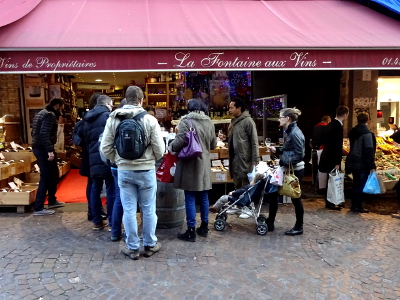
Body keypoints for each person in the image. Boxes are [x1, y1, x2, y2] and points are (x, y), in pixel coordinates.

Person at [100, 86, 164, 260]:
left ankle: (133, 247)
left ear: (126, 99)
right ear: (142, 100)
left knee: (128, 209)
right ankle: (150, 244)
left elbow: (104, 148)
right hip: (146, 170)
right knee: (149, 208)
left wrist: (118, 159)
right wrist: (150, 159)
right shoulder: (150, 120)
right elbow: (160, 149)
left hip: (125, 171)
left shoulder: (114, 118)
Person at [171, 98, 217, 242]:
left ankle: (191, 230)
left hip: (189, 163)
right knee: (204, 196)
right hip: (204, 165)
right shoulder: (209, 122)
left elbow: (179, 142)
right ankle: (204, 227)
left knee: (189, 197)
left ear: (190, 108)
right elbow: (214, 144)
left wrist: (170, 145)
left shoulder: (186, 122)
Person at [267, 108, 305, 236]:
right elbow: (289, 148)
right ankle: (270, 222)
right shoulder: (291, 131)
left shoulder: (294, 133)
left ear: (287, 118)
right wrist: (277, 150)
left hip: (295, 170)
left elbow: (300, 154)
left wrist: (283, 162)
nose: (279, 119)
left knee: (295, 197)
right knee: (274, 194)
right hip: (289, 168)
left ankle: (299, 226)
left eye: (281, 117)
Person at [83, 94, 115, 230]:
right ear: (107, 104)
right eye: (111, 105)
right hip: (106, 157)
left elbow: (84, 138)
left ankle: (97, 221)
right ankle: (113, 220)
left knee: (95, 189)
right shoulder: (108, 117)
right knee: (111, 189)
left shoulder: (87, 118)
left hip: (92, 158)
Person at [31, 98, 66, 216]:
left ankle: (52, 200)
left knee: (53, 174)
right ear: (57, 106)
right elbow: (44, 134)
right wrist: (50, 150)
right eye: (62, 107)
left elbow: (34, 132)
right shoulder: (49, 115)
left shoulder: (41, 113)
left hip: (40, 147)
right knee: (46, 176)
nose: (62, 110)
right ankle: (39, 207)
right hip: (43, 149)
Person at [318, 106, 349, 210]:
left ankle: (331, 201)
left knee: (330, 180)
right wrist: (337, 162)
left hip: (326, 155)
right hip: (332, 157)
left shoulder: (329, 125)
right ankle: (332, 202)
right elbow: (337, 146)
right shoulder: (338, 127)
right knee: (333, 180)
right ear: (345, 115)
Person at [345, 113, 376, 213]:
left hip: (353, 161)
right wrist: (372, 165)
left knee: (355, 183)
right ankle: (357, 206)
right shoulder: (367, 134)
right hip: (362, 163)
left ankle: (354, 204)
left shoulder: (353, 131)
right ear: (368, 121)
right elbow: (369, 150)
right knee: (360, 184)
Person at [228, 97, 259, 189]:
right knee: (237, 183)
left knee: (245, 185)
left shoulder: (248, 121)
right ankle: (239, 202)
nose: (229, 110)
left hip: (245, 159)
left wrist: (255, 159)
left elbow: (254, 141)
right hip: (234, 159)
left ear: (239, 108)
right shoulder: (233, 121)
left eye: (231, 108)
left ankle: (246, 203)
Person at [109, 98, 126, 242]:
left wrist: (114, 159)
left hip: (116, 165)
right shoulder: (143, 118)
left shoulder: (112, 119)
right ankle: (131, 234)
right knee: (136, 201)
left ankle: (115, 232)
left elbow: (105, 147)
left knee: (118, 199)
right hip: (135, 166)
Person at [311, 115, 331, 191]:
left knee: (315, 168)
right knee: (321, 169)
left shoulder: (315, 127)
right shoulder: (326, 128)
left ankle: (315, 184)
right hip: (321, 150)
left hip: (314, 149)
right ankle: (321, 186)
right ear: (328, 121)